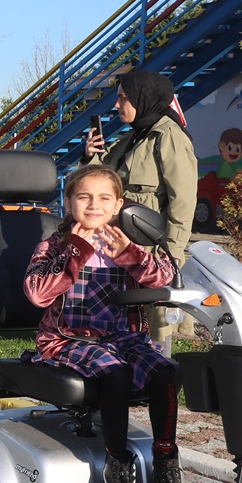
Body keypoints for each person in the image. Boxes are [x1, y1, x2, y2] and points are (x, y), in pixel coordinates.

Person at [24, 164, 186, 483]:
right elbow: (36, 294)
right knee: (116, 373)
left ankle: (165, 461)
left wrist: (131, 253)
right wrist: (77, 252)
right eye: (84, 197)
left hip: (122, 337)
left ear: (118, 205)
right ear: (69, 203)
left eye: (103, 198)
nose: (93, 205)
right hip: (68, 338)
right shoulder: (54, 247)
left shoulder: (128, 244)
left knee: (165, 372)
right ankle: (116, 467)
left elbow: (167, 280)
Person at [83, 70, 198, 345]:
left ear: (142, 99)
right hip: (121, 245)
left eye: (122, 98)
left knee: (159, 329)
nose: (116, 105)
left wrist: (172, 254)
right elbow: (98, 181)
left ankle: (166, 380)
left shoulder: (168, 137)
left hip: (151, 248)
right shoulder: (133, 139)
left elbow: (183, 200)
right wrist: (89, 154)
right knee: (125, 326)